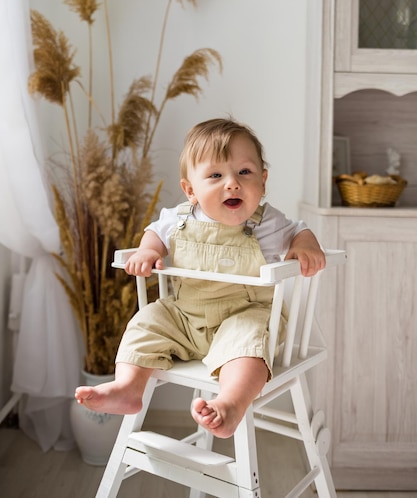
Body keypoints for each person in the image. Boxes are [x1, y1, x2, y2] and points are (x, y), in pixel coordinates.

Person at [75, 118, 325, 438]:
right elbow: (154, 234)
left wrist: (304, 245)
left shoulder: (266, 222)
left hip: (242, 315)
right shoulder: (178, 219)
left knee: (247, 343)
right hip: (184, 317)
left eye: (244, 172)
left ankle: (231, 404)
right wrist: (149, 251)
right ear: (190, 190)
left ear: (262, 182)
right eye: (216, 175)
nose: (232, 183)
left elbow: (297, 230)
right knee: (147, 319)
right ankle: (128, 386)